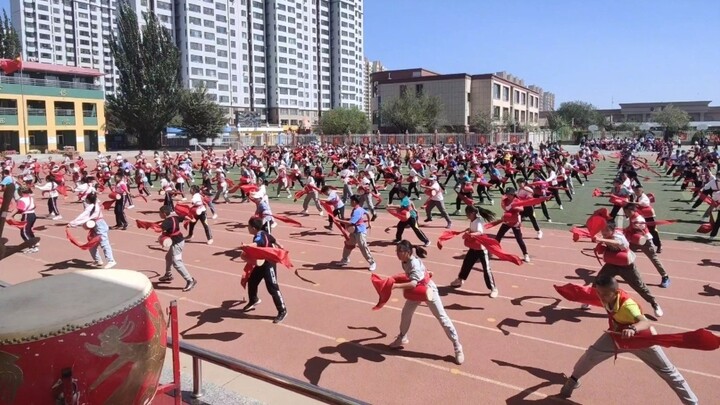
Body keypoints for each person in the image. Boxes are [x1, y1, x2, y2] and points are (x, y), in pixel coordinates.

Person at [559, 275, 697, 404]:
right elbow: (587, 293)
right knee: (590, 355)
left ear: (616, 292)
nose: (602, 297)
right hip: (618, 335)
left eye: (606, 294)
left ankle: (692, 402)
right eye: (599, 293)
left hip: (642, 339)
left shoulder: (628, 306)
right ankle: (573, 380)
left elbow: (646, 322)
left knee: (667, 371)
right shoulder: (604, 295)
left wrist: (633, 329)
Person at [389, 240, 464, 365]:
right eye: (396, 251)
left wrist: (395, 286)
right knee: (406, 313)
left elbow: (413, 282)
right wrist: (427, 272)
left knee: (442, 318)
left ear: (407, 252)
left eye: (399, 251)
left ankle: (457, 346)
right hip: (417, 292)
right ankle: (402, 337)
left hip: (429, 291)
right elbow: (415, 277)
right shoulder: (405, 261)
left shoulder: (413, 263)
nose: (397, 253)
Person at [589, 220, 663, 317]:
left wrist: (601, 240)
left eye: (606, 230)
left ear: (613, 230)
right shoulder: (605, 236)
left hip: (626, 265)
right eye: (602, 230)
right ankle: (589, 299)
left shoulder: (618, 236)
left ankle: (654, 303)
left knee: (639, 286)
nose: (604, 232)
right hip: (612, 264)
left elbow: (617, 242)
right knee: (598, 281)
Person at [241, 217, 288, 324]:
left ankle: (282, 310)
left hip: (269, 264)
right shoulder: (263, 232)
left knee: (272, 287)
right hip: (261, 263)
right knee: (252, 281)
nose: (247, 228)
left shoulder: (258, 237)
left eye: (248, 226)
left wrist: (247, 246)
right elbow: (272, 238)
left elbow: (257, 244)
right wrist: (279, 244)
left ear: (253, 228)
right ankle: (254, 300)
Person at [450, 205, 498, 297]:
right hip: (473, 248)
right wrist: (468, 231)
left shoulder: (478, 222)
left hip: (481, 249)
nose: (467, 216)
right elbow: (473, 229)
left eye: (467, 214)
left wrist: (470, 235)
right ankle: (460, 280)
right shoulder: (473, 221)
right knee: (466, 264)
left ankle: (493, 288)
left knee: (486, 269)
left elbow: (480, 232)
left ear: (472, 213)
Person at [623, 203, 669, 288]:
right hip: (635, 240)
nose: (625, 214)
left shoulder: (638, 219)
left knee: (653, 259)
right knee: (625, 254)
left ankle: (665, 276)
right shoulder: (632, 217)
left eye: (626, 212)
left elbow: (638, 232)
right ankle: (619, 272)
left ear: (631, 211)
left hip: (645, 241)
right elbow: (631, 228)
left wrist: (627, 233)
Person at [67, 192, 116, 269]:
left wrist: (72, 223)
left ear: (88, 200)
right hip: (96, 226)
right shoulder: (95, 204)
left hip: (100, 226)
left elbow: (83, 216)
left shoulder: (91, 207)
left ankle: (111, 260)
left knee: (104, 243)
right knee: (92, 245)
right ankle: (98, 260)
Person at [158, 205, 197, 292]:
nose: (159, 214)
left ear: (164, 214)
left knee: (177, 262)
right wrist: (191, 219)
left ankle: (190, 280)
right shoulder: (174, 217)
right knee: (168, 257)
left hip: (177, 243)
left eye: (160, 213)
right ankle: (168, 275)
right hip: (178, 241)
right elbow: (183, 217)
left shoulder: (166, 223)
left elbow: (159, 230)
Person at [336, 195, 376, 271]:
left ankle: (372, 262)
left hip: (360, 232)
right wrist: (369, 222)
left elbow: (351, 222)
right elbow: (367, 213)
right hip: (354, 232)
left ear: (354, 201)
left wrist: (338, 220)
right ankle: (345, 259)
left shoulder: (357, 211)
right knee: (348, 245)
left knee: (363, 247)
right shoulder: (359, 209)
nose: (350, 202)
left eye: (351, 201)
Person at [495, 188, 530, 263]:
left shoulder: (517, 200)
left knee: (519, 239)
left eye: (509, 194)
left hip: (515, 221)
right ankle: (495, 250)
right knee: (498, 237)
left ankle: (525, 254)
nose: (507, 195)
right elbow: (505, 209)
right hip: (507, 221)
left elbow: (522, 209)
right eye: (507, 194)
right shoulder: (505, 200)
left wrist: (515, 207)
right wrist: (502, 204)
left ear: (513, 194)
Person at [13, 186, 39, 254]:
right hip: (33, 215)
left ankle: (32, 247)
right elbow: (35, 205)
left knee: (24, 232)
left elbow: (18, 209)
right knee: (29, 230)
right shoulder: (31, 198)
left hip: (26, 216)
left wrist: (10, 215)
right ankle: (35, 242)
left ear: (21, 192)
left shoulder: (21, 200)